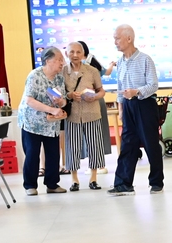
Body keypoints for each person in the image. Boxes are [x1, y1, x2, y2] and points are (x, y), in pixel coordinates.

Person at [108, 24, 164, 195]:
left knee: (151, 143)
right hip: (128, 106)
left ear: (129, 38)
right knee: (127, 144)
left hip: (144, 104)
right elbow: (120, 87)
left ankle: (156, 182)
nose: (115, 42)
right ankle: (123, 183)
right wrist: (121, 108)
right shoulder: (120, 63)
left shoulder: (145, 59)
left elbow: (153, 85)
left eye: (117, 38)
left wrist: (136, 91)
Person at [17, 47, 68, 195]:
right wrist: (52, 109)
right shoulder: (35, 75)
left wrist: (61, 102)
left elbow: (63, 100)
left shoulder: (59, 77)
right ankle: (30, 185)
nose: (62, 63)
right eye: (59, 59)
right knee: (32, 153)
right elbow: (29, 100)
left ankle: (52, 184)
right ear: (47, 61)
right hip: (32, 121)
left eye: (62, 60)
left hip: (51, 122)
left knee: (53, 153)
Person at [63, 41, 106, 191]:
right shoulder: (62, 72)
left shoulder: (92, 71)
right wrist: (69, 95)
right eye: (72, 52)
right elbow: (59, 93)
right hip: (72, 115)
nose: (75, 55)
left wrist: (94, 97)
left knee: (95, 145)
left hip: (92, 112)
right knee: (72, 147)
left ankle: (93, 178)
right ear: (66, 53)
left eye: (78, 52)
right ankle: (74, 180)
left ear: (83, 55)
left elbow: (101, 91)